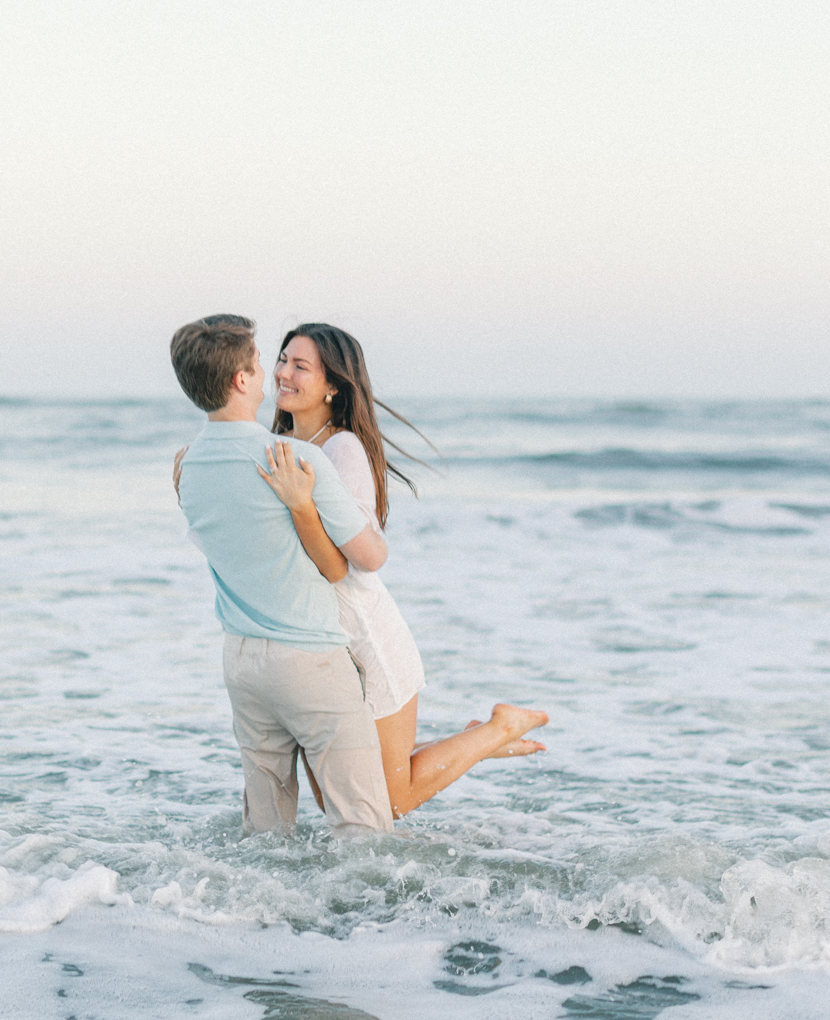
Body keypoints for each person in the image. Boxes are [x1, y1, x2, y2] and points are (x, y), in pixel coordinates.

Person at [170, 313, 547, 833]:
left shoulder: (337, 449)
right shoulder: (280, 449)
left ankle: (494, 731)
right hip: (315, 639)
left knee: (385, 800)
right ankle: (484, 736)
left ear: (333, 387)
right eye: (279, 359)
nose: (282, 373)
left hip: (360, 631)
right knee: (348, 797)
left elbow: (361, 559)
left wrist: (301, 507)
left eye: (301, 366)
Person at [170, 313, 394, 834]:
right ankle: (365, 919)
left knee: (265, 832)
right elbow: (369, 557)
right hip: (308, 659)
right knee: (362, 826)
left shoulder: (188, 465)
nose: (271, 373)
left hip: (242, 662)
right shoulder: (296, 456)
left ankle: (254, 915)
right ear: (242, 380)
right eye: (261, 361)